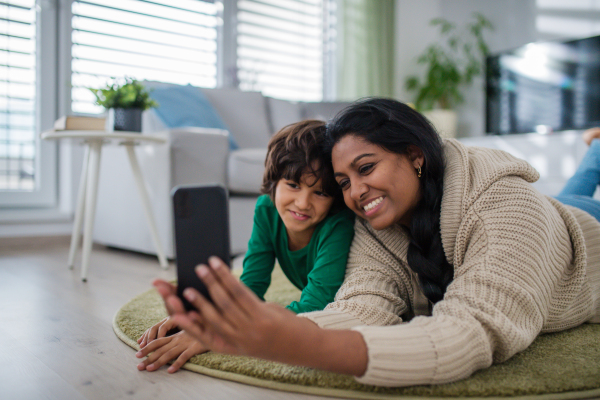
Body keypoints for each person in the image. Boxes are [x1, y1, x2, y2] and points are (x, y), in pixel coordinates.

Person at [149, 98, 600, 387]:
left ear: (415, 156)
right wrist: (238, 327)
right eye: (343, 181)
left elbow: (472, 330)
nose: (355, 191)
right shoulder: (371, 225)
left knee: (574, 201)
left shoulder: (505, 204)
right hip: (555, 212)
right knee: (569, 193)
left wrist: (293, 345)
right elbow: (363, 305)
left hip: (584, 237)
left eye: (367, 168)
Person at [136, 120, 355, 373]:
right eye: (293, 185)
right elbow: (252, 284)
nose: (303, 203)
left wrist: (224, 331)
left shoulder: (338, 223)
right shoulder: (267, 209)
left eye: (320, 193)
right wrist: (207, 318)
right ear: (275, 182)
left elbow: (315, 307)